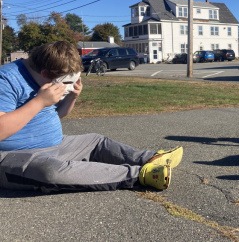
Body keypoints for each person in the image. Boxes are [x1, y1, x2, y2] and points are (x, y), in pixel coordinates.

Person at [0, 41, 183, 193]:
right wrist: (39, 102)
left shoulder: (45, 80)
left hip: (57, 146)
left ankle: (151, 159)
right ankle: (140, 175)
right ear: (46, 74)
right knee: (49, 172)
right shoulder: (6, 79)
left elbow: (57, 115)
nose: (69, 87)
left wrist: (72, 97)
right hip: (14, 156)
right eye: (67, 83)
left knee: (96, 141)